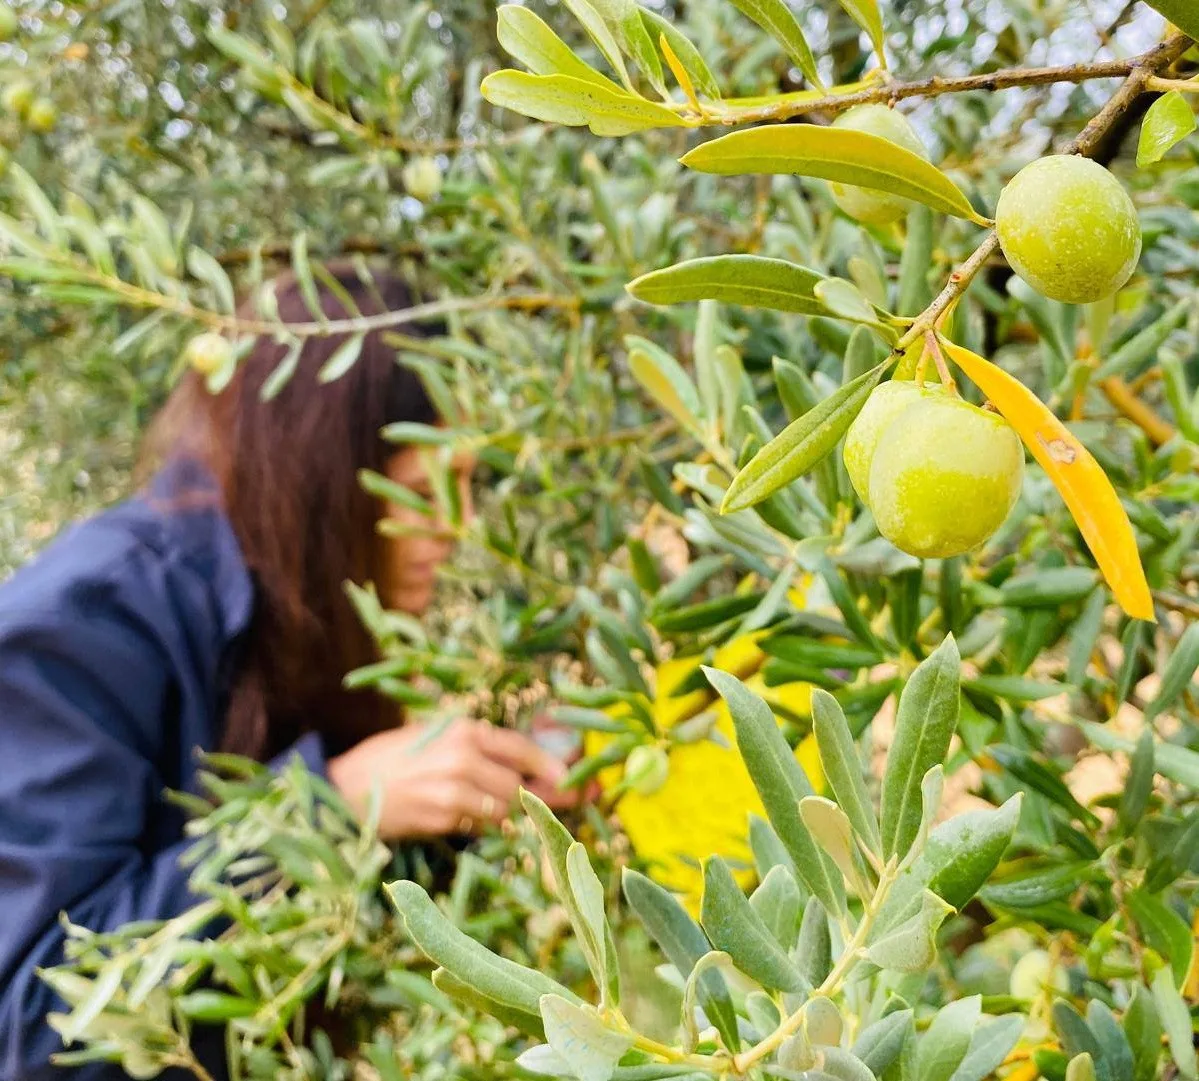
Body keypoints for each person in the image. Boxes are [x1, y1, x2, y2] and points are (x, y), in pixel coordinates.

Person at [0, 269, 577, 1080]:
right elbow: (32, 1022)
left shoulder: (304, 599)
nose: (460, 528)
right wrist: (330, 805)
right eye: (418, 491)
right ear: (319, 486)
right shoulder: (81, 627)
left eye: (469, 482)